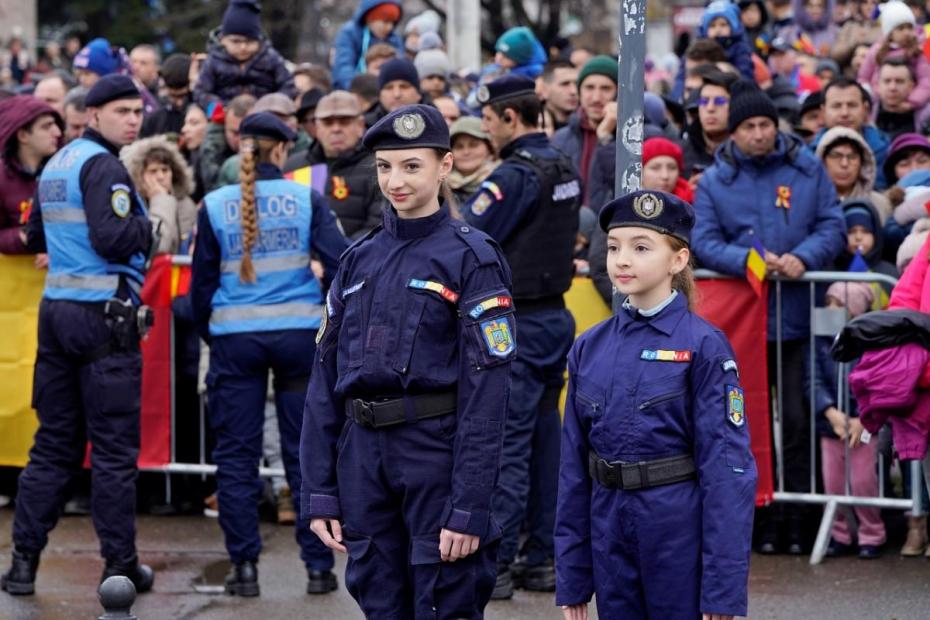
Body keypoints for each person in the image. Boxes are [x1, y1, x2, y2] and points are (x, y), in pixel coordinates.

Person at [301, 104, 512, 618]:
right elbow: (324, 379)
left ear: (444, 167)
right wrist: (319, 490)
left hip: (434, 454)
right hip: (363, 457)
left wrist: (469, 504)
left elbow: (488, 392)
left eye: (412, 166)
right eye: (385, 167)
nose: (396, 181)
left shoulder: (472, 258)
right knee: (379, 601)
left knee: (444, 600)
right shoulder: (357, 259)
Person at [555, 189, 757, 620]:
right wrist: (572, 576)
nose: (622, 260)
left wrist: (721, 590)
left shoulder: (703, 346)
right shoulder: (590, 347)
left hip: (675, 526)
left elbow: (726, 471)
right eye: (614, 247)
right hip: (609, 525)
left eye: (641, 248)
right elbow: (573, 468)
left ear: (678, 260)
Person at [0, 75, 154, 596]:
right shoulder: (104, 166)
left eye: (137, 111)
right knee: (112, 452)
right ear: (93, 115)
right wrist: (151, 221)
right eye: (122, 111)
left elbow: (35, 234)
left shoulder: (57, 163)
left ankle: (22, 565)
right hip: (102, 319)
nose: (133, 120)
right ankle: (120, 567)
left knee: (53, 446)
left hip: (57, 314)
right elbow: (113, 239)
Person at [190, 111, 348, 597]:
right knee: (306, 453)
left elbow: (201, 287)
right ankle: (318, 568)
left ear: (241, 148)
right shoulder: (305, 198)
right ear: (281, 149)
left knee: (236, 457)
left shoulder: (214, 204)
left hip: (235, 341)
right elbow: (341, 262)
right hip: (299, 337)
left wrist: (215, 334)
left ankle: (244, 569)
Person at [693, 80, 846, 555]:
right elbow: (703, 241)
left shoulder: (806, 168)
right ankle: (757, 517)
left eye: (765, 125)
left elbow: (832, 224)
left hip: (795, 319)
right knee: (745, 422)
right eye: (749, 127)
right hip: (743, 324)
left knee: (797, 422)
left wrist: (804, 257)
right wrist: (750, 262)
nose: (759, 134)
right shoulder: (714, 182)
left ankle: (799, 517)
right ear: (733, 133)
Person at [464, 75, 581, 599]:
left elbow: (470, 238)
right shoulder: (562, 165)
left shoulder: (513, 176)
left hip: (517, 323)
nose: (486, 128)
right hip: (552, 316)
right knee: (544, 441)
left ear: (510, 118)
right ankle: (542, 559)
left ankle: (499, 562)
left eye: (488, 119)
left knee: (508, 446)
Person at [809, 281, 886, 559]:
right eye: (828, 303)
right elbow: (813, 378)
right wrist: (829, 411)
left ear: (854, 311)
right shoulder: (820, 339)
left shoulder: (872, 344)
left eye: (838, 305)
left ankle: (872, 534)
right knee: (832, 483)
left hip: (863, 426)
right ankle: (838, 533)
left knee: (864, 480)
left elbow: (878, 385)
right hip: (831, 425)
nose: (830, 309)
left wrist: (863, 419)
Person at [283, 90, 383, 239]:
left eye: (344, 121)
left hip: (359, 252)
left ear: (360, 125)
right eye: (328, 122)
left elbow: (378, 225)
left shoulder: (379, 166)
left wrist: (341, 251)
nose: (336, 129)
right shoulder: (295, 165)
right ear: (317, 127)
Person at [193, 0, 297, 108]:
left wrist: (274, 105)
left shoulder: (270, 58)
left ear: (259, 41)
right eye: (236, 41)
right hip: (223, 111)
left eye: (249, 41)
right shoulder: (214, 60)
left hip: (265, 111)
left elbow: (288, 86)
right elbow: (201, 91)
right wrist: (215, 108)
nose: (243, 47)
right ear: (222, 40)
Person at [0, 96, 62, 256]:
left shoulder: (65, 170)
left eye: (55, 124)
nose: (57, 132)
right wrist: (24, 238)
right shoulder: (2, 178)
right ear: (23, 135)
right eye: (46, 126)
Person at [552, 55, 618, 203]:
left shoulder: (634, 138)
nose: (596, 98)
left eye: (606, 89)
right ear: (579, 92)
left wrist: (605, 137)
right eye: (589, 88)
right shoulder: (561, 139)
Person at [121, 135, 198, 254]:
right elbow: (158, 247)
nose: (161, 177)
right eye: (153, 171)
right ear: (138, 175)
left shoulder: (185, 205)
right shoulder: (130, 205)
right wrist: (160, 200)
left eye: (165, 170)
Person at [814, 77, 892, 189]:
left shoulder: (887, 151)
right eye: (836, 106)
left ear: (865, 109)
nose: (844, 113)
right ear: (823, 111)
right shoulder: (809, 153)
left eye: (852, 105)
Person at [815, 126, 892, 222]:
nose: (844, 164)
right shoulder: (808, 203)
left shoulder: (880, 205)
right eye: (836, 156)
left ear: (863, 163)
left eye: (852, 157)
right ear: (822, 161)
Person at [332, 1, 404, 90]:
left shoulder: (394, 39)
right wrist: (358, 90)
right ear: (370, 19)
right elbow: (343, 67)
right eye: (385, 21)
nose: (390, 27)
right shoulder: (350, 34)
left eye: (393, 22)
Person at [141, 53, 193, 139]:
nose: (179, 103)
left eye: (183, 96)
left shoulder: (205, 114)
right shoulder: (155, 121)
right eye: (173, 96)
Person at [448, 116, 499, 204]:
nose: (466, 152)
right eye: (459, 147)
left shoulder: (502, 181)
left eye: (473, 145)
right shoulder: (438, 189)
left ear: (490, 148)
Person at [365, 58, 423, 127]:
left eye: (404, 86)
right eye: (389, 88)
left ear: (418, 93)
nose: (397, 94)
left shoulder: (433, 122)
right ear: (380, 95)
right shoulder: (365, 127)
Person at [539, 60, 579, 136]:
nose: (574, 91)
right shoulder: (533, 126)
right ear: (544, 90)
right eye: (565, 84)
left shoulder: (589, 124)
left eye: (577, 84)